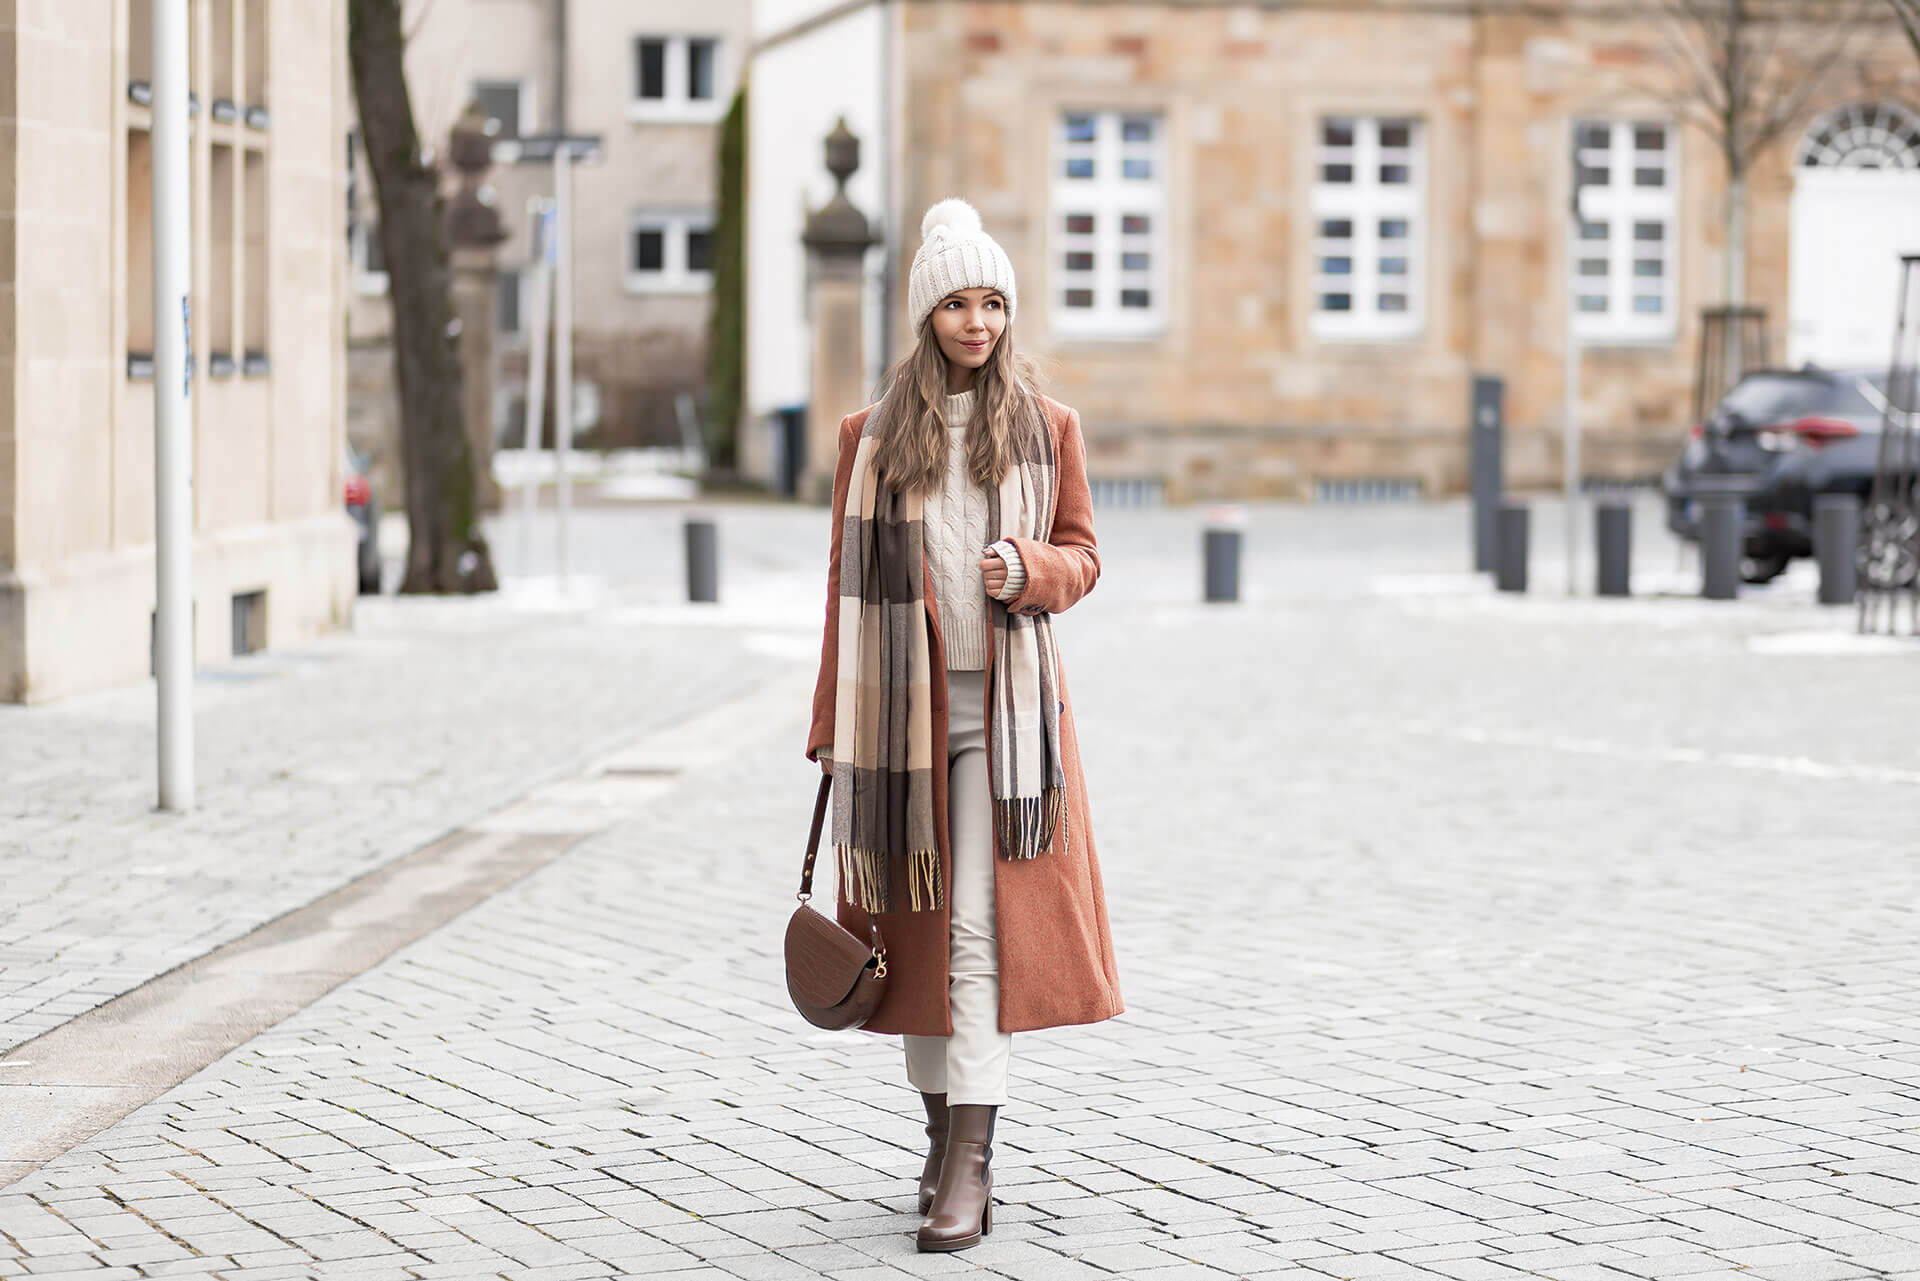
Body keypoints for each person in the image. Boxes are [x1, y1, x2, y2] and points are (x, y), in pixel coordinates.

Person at [805, 197, 1124, 1253]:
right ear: (925, 314)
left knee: (978, 933)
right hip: (895, 724)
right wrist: (827, 732)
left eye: (992, 302)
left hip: (1006, 717)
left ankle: (973, 1166)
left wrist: (1027, 570)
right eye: (956, 302)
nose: (977, 322)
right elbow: (841, 590)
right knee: (916, 943)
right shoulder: (870, 437)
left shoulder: (1047, 428)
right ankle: (943, 1138)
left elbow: (1081, 555)